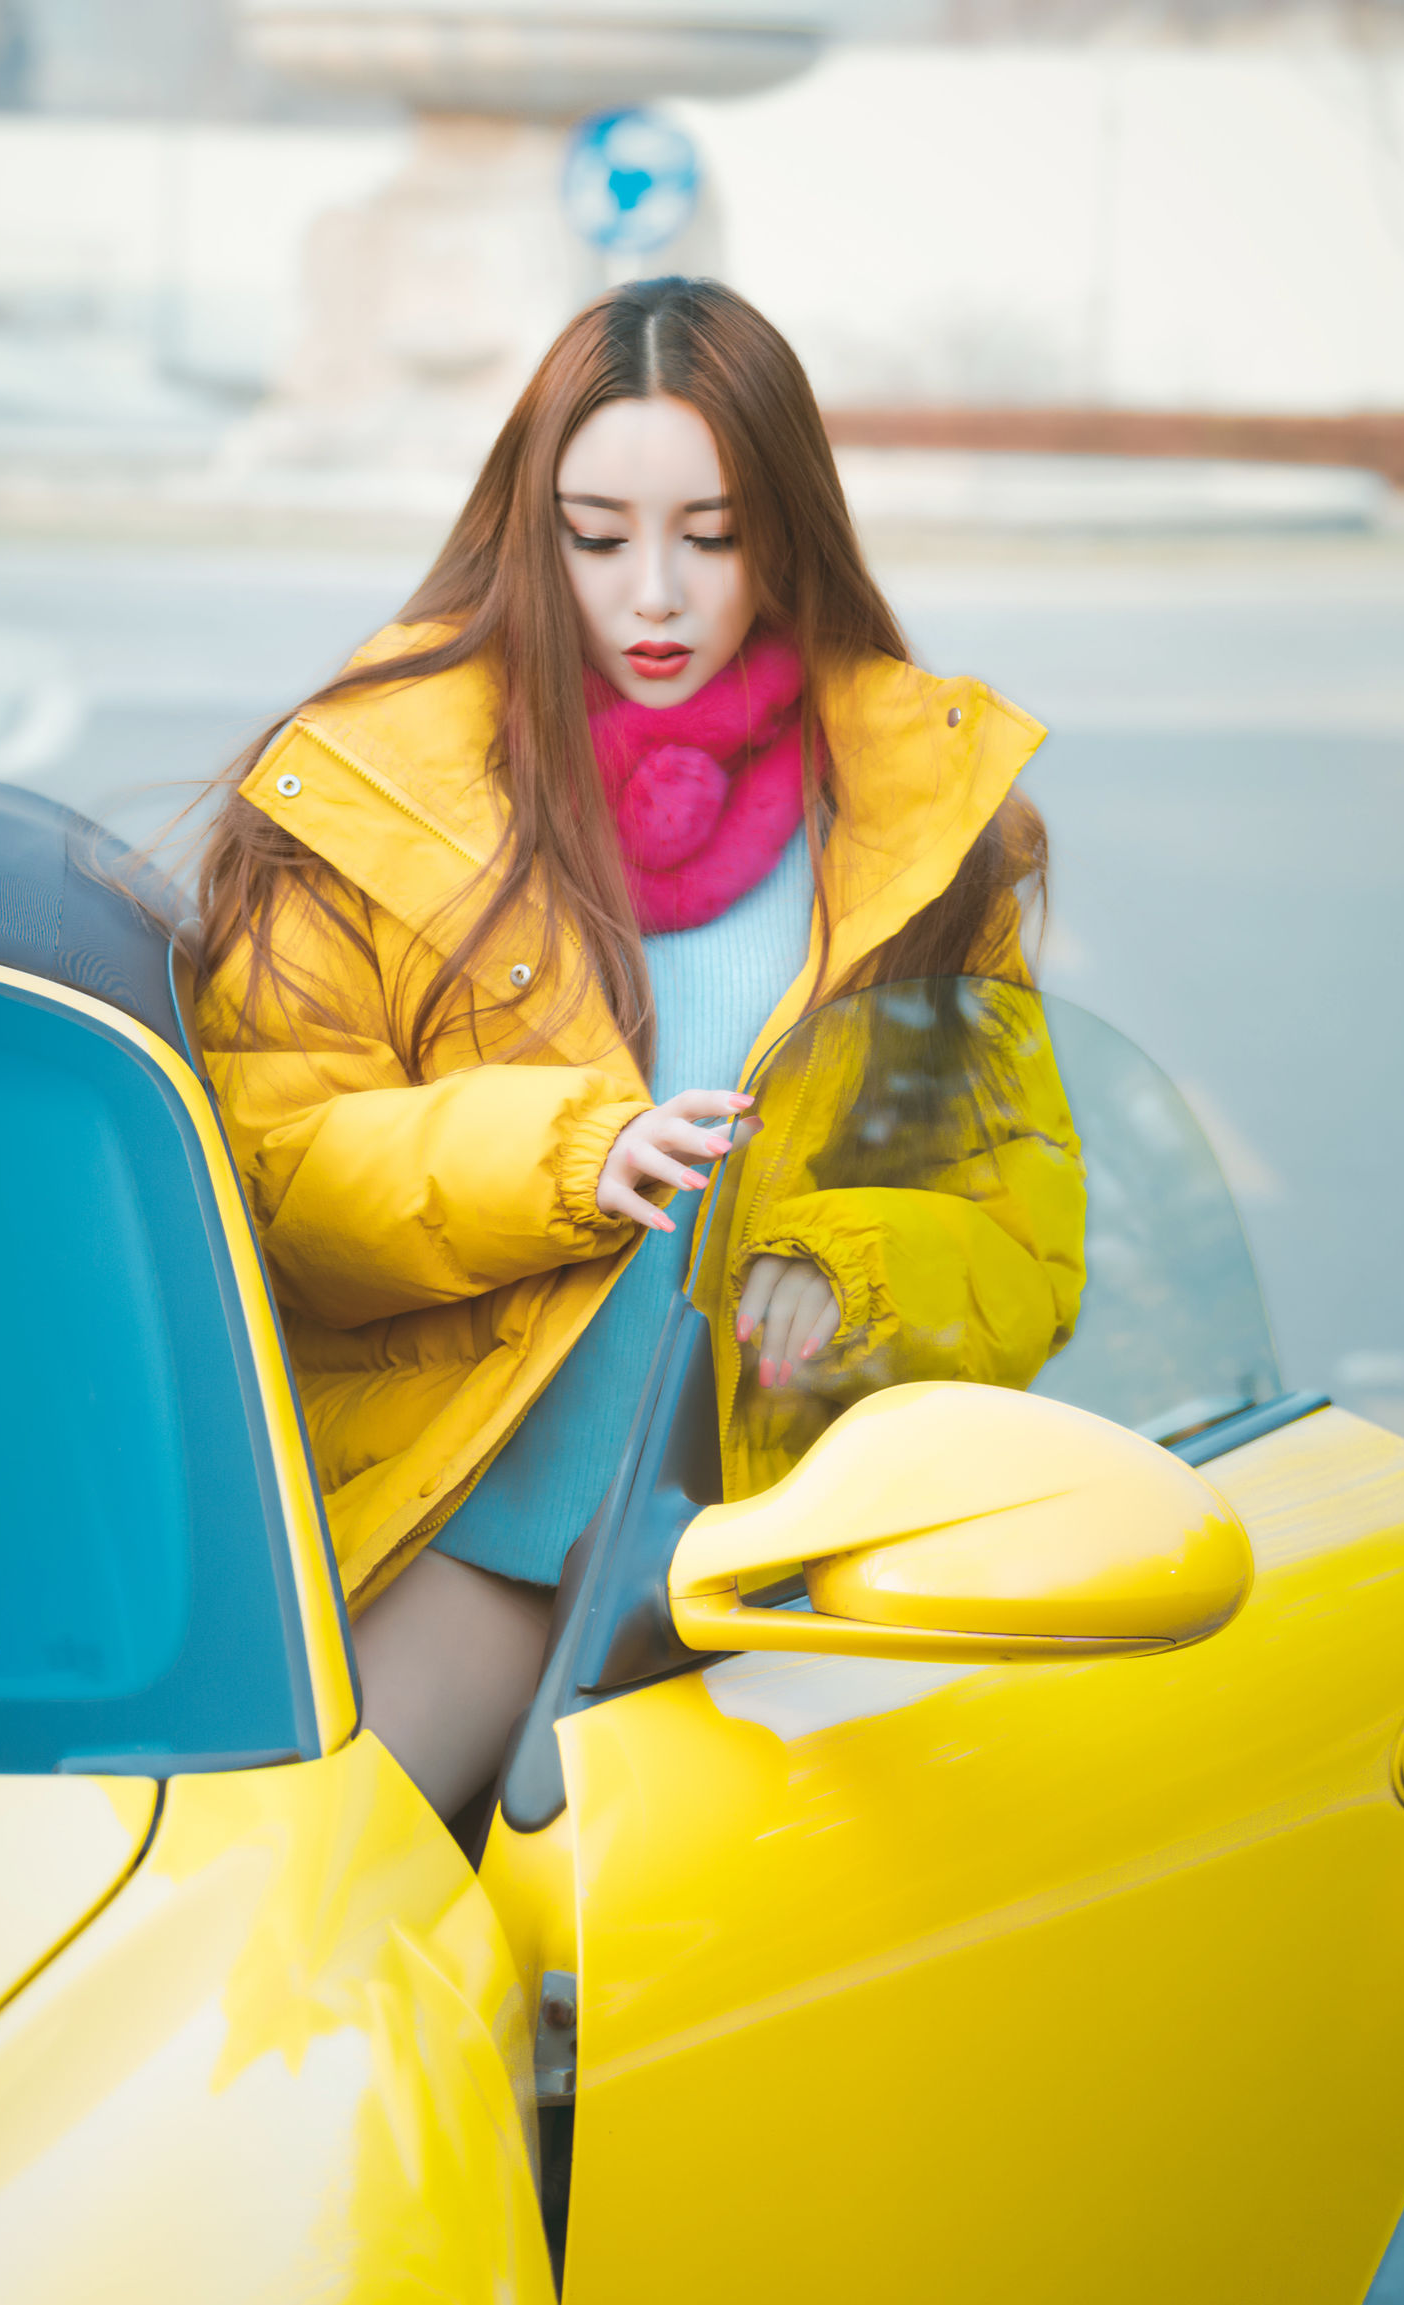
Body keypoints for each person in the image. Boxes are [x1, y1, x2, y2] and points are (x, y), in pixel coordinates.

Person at [194, 276, 1079, 1823]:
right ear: (528, 531)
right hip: (457, 1539)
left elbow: (1015, 1230)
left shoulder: (918, 825)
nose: (652, 595)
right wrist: (569, 1158)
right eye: (596, 536)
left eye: (712, 535)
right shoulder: (374, 791)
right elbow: (275, 1184)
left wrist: (849, 1270)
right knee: (305, 1915)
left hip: (756, 1582)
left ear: (788, 531)